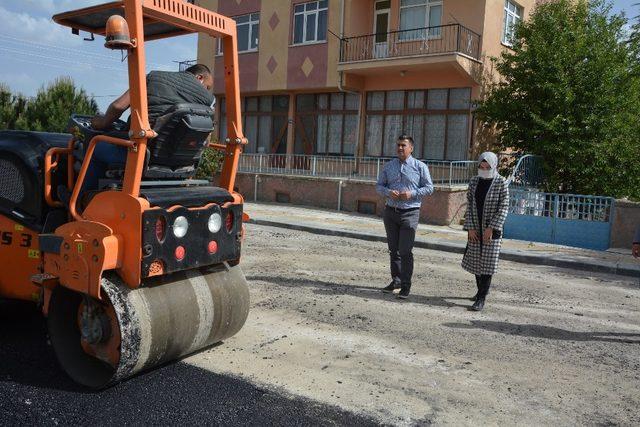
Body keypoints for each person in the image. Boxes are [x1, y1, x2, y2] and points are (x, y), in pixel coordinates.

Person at [85, 64, 215, 189]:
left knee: (95, 147)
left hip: (142, 154)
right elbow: (206, 141)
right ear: (199, 77)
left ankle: (80, 201)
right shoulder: (207, 101)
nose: (207, 91)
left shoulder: (154, 77)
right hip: (180, 164)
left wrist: (102, 123)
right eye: (208, 87)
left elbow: (118, 106)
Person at [376, 135, 434, 299]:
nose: (400, 148)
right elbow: (379, 186)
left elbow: (430, 188)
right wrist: (388, 192)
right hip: (391, 212)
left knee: (405, 250)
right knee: (393, 250)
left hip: (410, 212)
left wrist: (412, 194)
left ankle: (406, 286)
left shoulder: (420, 167)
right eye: (398, 145)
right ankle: (397, 280)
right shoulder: (389, 166)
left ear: (411, 148)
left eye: (403, 145)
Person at [461, 152, 509, 311]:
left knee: (487, 264)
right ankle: (479, 291)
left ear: (494, 166)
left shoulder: (501, 182)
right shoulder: (474, 181)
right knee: (476, 261)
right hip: (475, 226)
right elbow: (470, 205)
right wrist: (470, 227)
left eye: (487, 167)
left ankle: (481, 298)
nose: (484, 170)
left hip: (491, 230)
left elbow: (503, 207)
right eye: (481, 167)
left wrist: (492, 227)